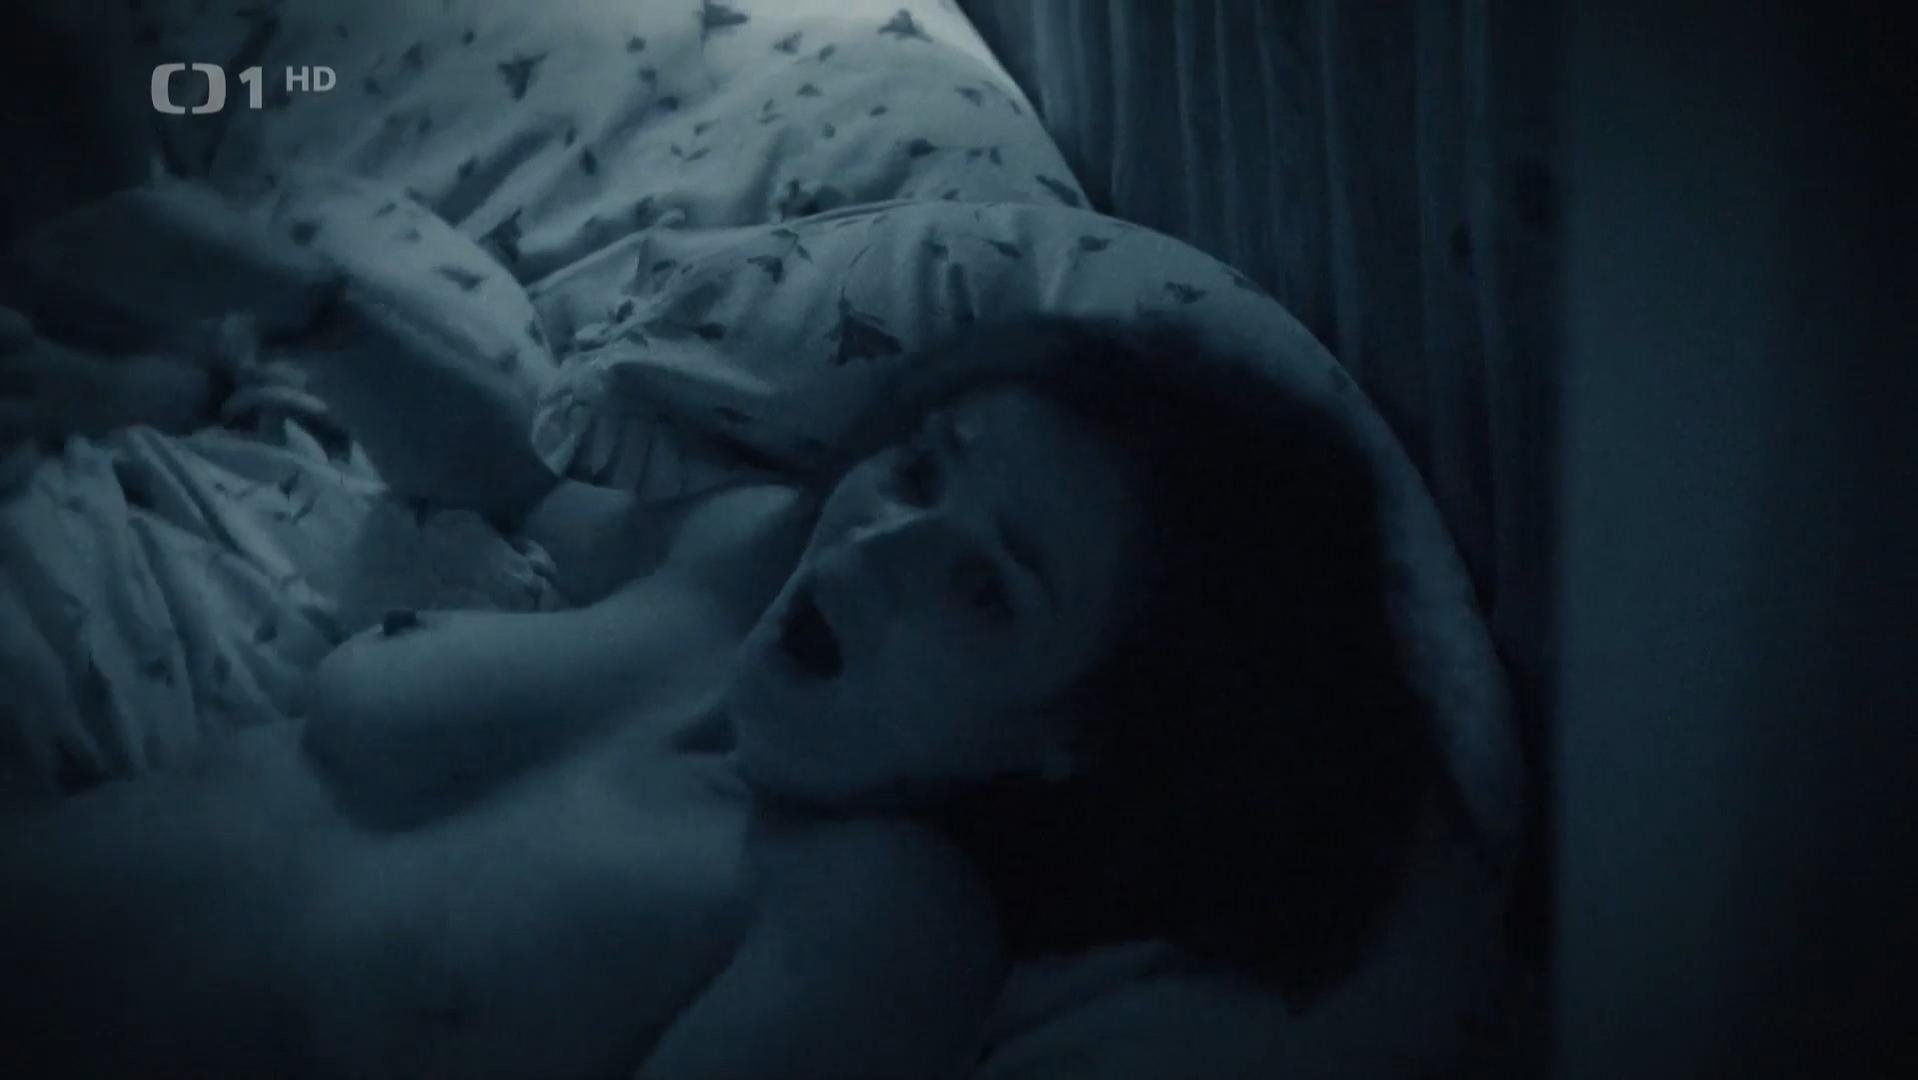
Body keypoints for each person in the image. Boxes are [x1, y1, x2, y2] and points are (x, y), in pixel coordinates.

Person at [0, 311, 1435, 1078]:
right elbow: (510, 480)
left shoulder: (879, 928)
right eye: (921, 469)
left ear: (1081, 734)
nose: (880, 545)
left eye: (987, 586)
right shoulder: (736, 571)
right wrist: (306, 304)